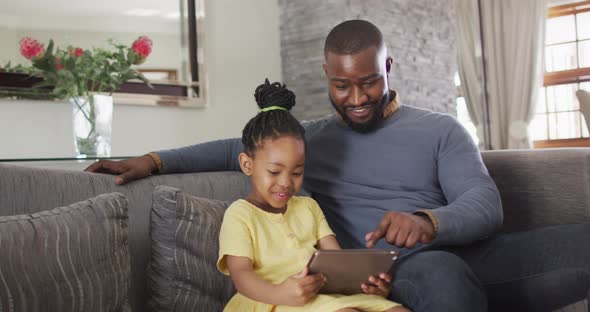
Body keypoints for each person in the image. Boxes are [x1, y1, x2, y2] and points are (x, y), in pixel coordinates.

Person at [87, 20, 590, 312]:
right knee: (442, 279)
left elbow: (484, 205)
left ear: (387, 68)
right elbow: (233, 147)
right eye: (341, 86)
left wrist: (428, 220)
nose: (355, 98)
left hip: (473, 251)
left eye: (368, 82)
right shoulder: (308, 142)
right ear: (327, 75)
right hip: (402, 271)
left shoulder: (441, 130)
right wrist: (153, 160)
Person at [216, 79, 408, 312]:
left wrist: (365, 285)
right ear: (247, 164)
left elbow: (337, 262)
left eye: (297, 172)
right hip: (270, 301)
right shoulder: (239, 214)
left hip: (320, 297)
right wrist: (281, 293)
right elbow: (242, 276)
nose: (286, 182)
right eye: (274, 172)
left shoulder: (308, 207)